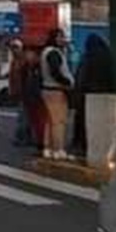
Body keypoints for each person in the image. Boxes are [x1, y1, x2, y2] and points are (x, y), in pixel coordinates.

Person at [72, 34, 113, 159]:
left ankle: (82, 145)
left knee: (83, 121)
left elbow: (81, 77)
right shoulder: (108, 56)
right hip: (104, 92)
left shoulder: (87, 57)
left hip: (87, 93)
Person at [41, 28, 75, 159]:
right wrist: (67, 82)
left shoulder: (46, 52)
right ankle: (58, 149)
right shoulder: (54, 53)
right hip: (56, 90)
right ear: (54, 38)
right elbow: (56, 71)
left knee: (50, 121)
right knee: (58, 121)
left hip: (47, 89)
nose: (63, 40)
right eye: (60, 37)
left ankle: (47, 147)